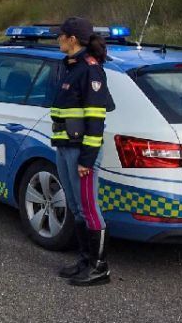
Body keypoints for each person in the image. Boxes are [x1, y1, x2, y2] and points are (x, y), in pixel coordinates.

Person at [51, 17, 114, 286]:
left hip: (81, 152)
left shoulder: (90, 70)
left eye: (61, 35)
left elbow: (96, 118)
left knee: (89, 208)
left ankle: (100, 268)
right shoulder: (71, 67)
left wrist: (87, 159)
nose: (58, 39)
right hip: (65, 147)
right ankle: (85, 261)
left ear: (72, 39)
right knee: (77, 208)